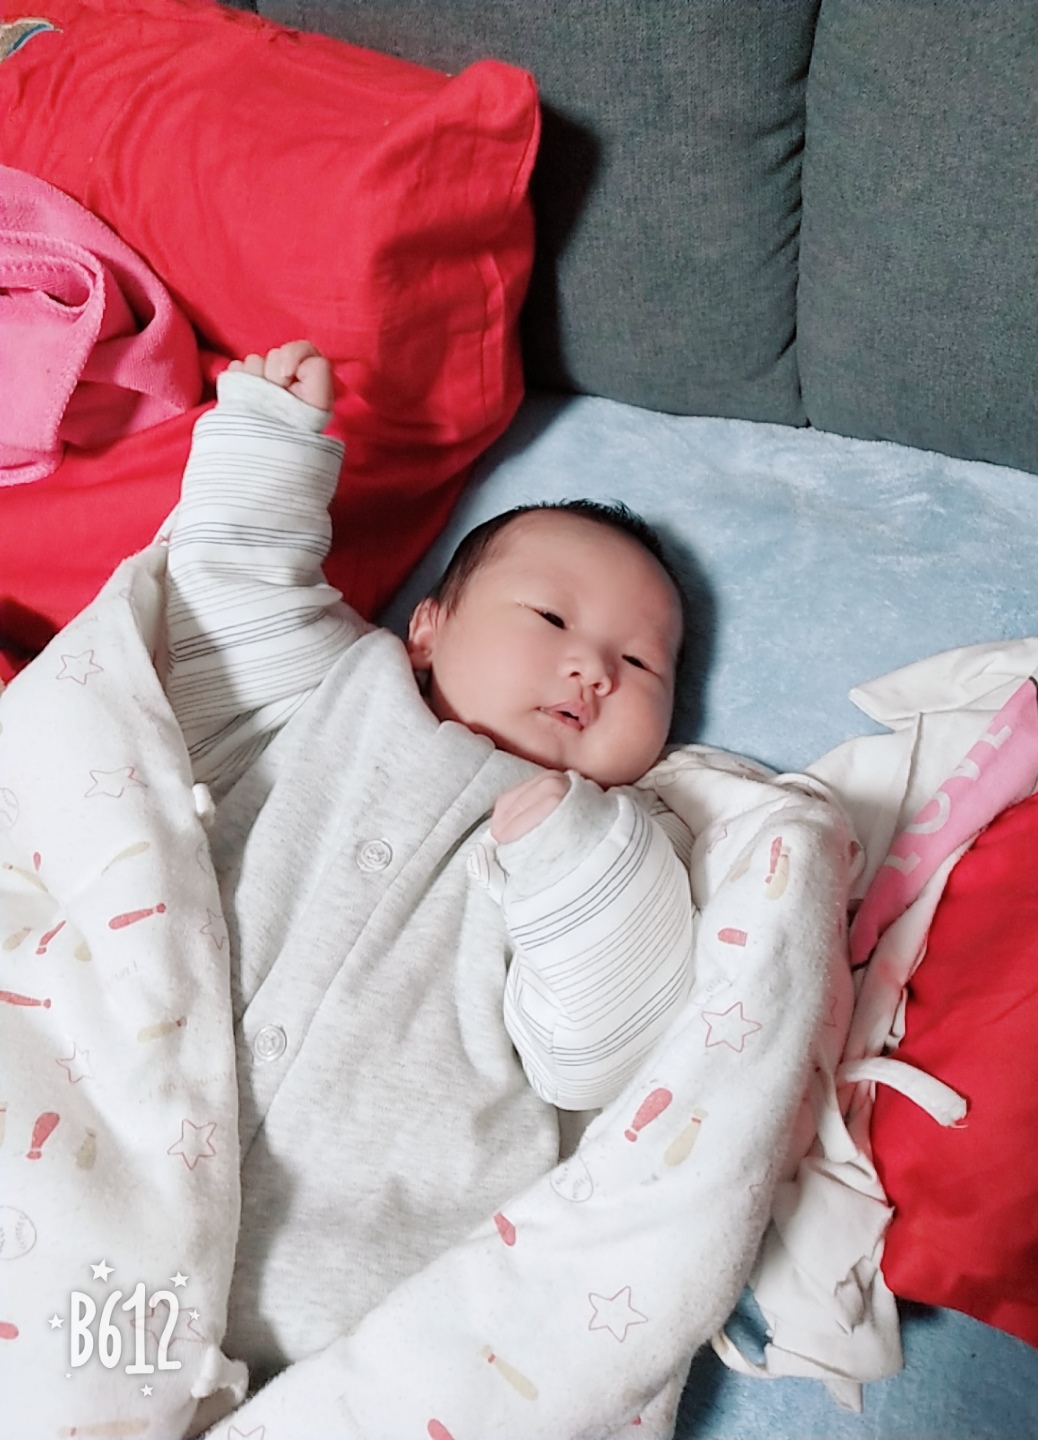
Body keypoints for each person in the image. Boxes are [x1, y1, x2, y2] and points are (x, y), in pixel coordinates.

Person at [160, 341, 695, 1388]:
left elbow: (594, 1053)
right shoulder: (330, 688)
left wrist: (573, 863)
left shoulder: (624, 848)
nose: (592, 666)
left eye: (642, 664)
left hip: (339, 1283)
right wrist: (269, 443)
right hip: (110, 1146)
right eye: (551, 618)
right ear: (427, 629)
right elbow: (215, 618)